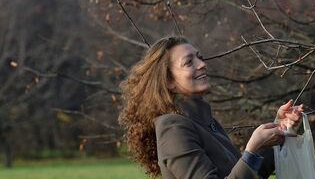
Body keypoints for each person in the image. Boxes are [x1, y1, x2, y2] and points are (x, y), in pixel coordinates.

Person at [119, 36, 304, 179]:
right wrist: (251, 150)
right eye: (189, 62)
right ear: (169, 81)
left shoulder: (205, 122)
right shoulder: (173, 127)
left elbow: (246, 174)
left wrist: (280, 129)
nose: (202, 64)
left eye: (200, 58)